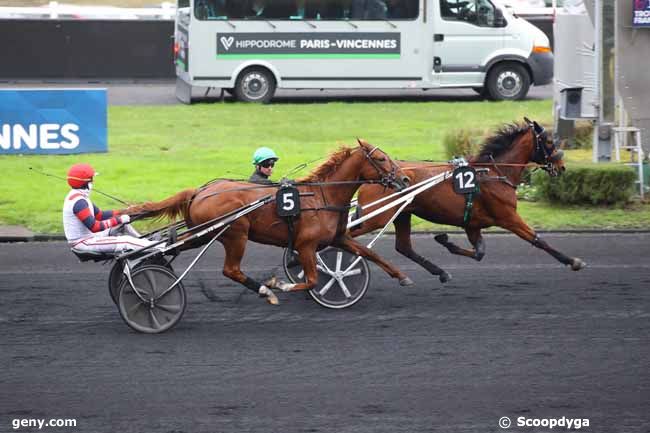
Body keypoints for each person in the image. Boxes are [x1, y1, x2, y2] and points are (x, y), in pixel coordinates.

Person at [62, 163, 160, 256]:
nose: (93, 182)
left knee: (122, 225)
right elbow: (95, 227)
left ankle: (144, 242)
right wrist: (119, 219)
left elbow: (100, 215)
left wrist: (124, 211)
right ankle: (159, 247)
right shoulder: (79, 202)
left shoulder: (79, 197)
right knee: (125, 241)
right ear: (85, 183)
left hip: (90, 237)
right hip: (84, 243)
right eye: (91, 180)